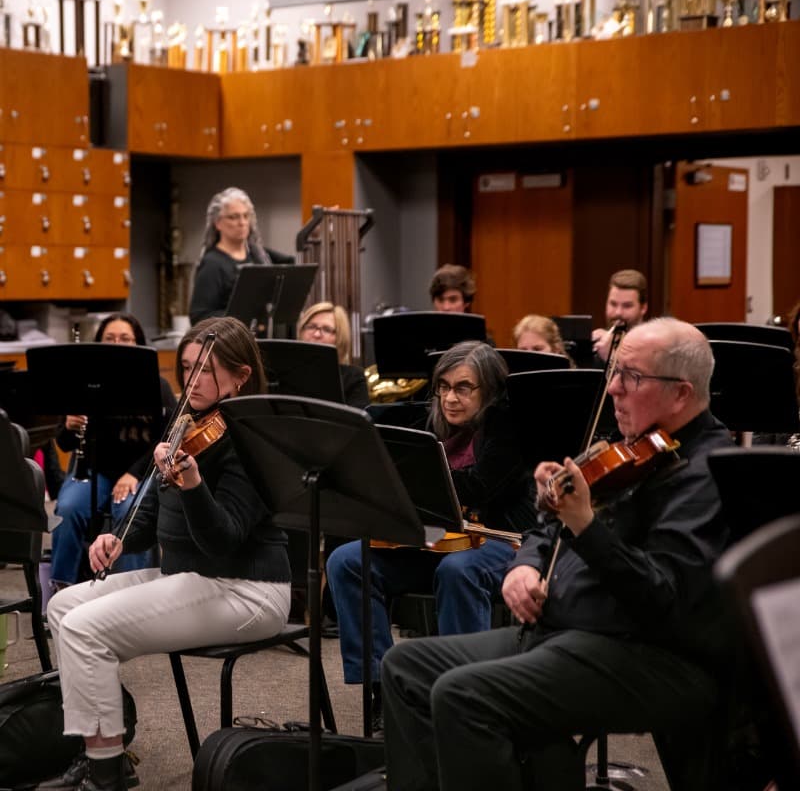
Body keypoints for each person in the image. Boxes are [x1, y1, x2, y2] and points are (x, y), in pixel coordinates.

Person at [380, 318, 735, 791]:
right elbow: (545, 525)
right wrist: (526, 565)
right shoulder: (631, 448)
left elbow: (660, 599)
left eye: (631, 377)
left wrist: (585, 525)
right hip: (561, 631)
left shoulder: (708, 475)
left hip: (642, 653)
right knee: (406, 668)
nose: (612, 388)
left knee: (464, 695)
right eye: (616, 372)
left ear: (681, 394)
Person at [39, 317, 290, 791]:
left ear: (241, 377)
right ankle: (106, 745)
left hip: (246, 589)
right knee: (63, 606)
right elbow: (151, 511)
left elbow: (224, 539)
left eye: (207, 370)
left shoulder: (253, 437)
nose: (193, 381)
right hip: (190, 576)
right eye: (188, 368)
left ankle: (104, 774)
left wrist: (194, 484)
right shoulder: (186, 419)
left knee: (84, 627)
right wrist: (118, 538)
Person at [326, 340, 537, 732]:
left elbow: (480, 487)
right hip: (438, 542)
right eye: (443, 387)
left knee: (458, 571)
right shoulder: (429, 425)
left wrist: (416, 478)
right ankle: (381, 689)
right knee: (348, 561)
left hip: (500, 541)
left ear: (488, 390)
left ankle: (461, 692)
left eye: (463, 388)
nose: (449, 398)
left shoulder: (508, 428)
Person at [51, 313, 177, 592]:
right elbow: (63, 443)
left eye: (125, 339)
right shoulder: (86, 384)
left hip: (140, 473)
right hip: (94, 471)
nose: (117, 344)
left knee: (130, 512)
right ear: (99, 344)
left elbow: (167, 439)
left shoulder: (158, 385)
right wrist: (70, 427)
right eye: (110, 339)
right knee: (68, 508)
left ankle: (128, 593)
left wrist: (134, 474)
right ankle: (60, 590)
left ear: (140, 345)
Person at [188, 187, 292, 325]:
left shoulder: (259, 256)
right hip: (232, 341)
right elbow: (199, 316)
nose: (242, 223)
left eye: (245, 216)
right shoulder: (212, 263)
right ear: (217, 223)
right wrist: (240, 316)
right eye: (233, 217)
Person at [297, 301, 369, 409]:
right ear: (301, 330)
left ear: (339, 337)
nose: (316, 334)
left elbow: (357, 423)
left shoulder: (353, 377)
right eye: (311, 327)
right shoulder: (285, 372)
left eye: (326, 329)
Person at [591, 268, 648, 363]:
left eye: (627, 306)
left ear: (643, 308)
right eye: (613, 304)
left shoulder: (654, 347)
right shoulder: (600, 344)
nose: (618, 312)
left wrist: (611, 357)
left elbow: (638, 377)